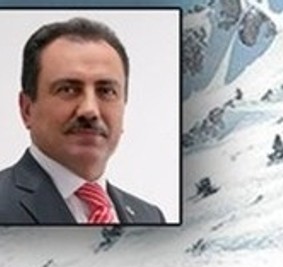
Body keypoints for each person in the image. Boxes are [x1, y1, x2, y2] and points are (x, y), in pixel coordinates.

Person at [0, 17, 164, 225]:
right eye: (68, 89)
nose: (89, 110)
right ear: (27, 109)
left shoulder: (150, 217)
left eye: (106, 91)